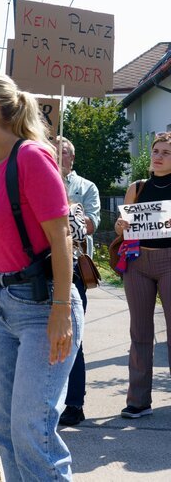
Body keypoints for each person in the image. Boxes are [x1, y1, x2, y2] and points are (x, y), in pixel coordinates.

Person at [0, 72, 82, 481]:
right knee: (4, 429)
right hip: (6, 307)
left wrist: (61, 307)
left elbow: (60, 235)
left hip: (44, 308)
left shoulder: (31, 157)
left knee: (32, 432)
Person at [114, 132, 171, 419]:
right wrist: (120, 225)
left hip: (170, 260)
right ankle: (138, 400)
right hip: (137, 262)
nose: (158, 156)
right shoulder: (137, 187)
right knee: (140, 332)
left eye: (166, 152)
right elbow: (122, 229)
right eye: (156, 151)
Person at [56, 136, 101, 426]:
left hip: (73, 266)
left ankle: (74, 403)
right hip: (40, 265)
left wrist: (63, 209)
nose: (57, 156)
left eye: (62, 153)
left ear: (72, 158)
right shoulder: (34, 180)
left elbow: (91, 223)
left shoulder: (86, 187)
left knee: (73, 337)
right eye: (52, 152)